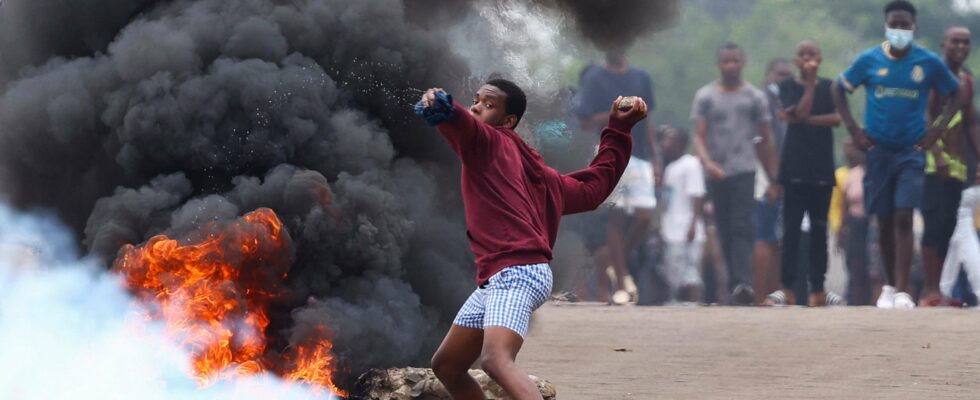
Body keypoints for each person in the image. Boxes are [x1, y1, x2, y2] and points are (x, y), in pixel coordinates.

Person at [418, 79, 647, 399]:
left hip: (516, 273)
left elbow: (464, 125)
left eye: (488, 104)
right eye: (475, 100)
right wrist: (619, 132)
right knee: (447, 365)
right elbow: (594, 187)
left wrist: (444, 107)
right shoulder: (538, 172)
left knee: (496, 360)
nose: (476, 107)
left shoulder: (487, 141)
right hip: (501, 277)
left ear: (508, 121)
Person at [831, 0, 963, 309]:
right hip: (877, 150)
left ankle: (904, 290)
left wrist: (939, 129)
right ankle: (889, 286)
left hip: (911, 150)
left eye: (905, 25)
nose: (899, 30)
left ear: (914, 27)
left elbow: (956, 92)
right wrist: (853, 129)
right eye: (895, 24)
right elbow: (838, 88)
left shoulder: (927, 62)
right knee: (885, 219)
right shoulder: (869, 60)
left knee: (905, 214)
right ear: (886, 25)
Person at [692, 42, 780, 305]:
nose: (731, 65)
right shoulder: (706, 96)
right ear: (719, 64)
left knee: (742, 225)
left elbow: (766, 139)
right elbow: (699, 135)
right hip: (717, 172)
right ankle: (733, 283)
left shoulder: (754, 97)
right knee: (724, 227)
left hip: (744, 169)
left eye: (735, 61)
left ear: (743, 63)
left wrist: (773, 178)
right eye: (726, 61)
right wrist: (707, 162)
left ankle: (744, 282)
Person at [576, 48, 658, 303]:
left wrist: (657, 157)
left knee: (645, 215)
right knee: (616, 216)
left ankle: (615, 261)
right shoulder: (594, 78)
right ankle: (622, 279)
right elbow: (585, 122)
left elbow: (649, 119)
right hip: (609, 149)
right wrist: (614, 114)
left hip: (640, 153)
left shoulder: (641, 77)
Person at [764, 41, 842, 306]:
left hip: (821, 169)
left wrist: (802, 119)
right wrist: (809, 85)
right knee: (791, 230)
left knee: (820, 231)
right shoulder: (787, 87)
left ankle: (818, 289)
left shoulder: (831, 86)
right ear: (796, 60)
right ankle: (787, 288)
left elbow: (836, 118)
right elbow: (800, 109)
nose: (808, 59)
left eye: (813, 54)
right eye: (803, 55)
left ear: (820, 58)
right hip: (794, 168)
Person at [919, 26, 980, 306]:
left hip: (957, 165)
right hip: (932, 163)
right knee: (932, 223)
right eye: (955, 40)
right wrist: (936, 153)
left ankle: (940, 292)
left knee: (948, 226)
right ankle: (929, 290)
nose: (960, 46)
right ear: (944, 42)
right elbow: (923, 114)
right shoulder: (931, 76)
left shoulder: (966, 81)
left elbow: (971, 123)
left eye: (965, 42)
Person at [753, 58, 793, 304]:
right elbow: (761, 145)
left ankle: (776, 294)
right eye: (780, 74)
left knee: (779, 239)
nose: (784, 79)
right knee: (765, 236)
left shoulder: (786, 104)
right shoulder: (762, 102)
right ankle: (760, 296)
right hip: (765, 179)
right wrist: (772, 179)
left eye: (788, 75)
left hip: (784, 179)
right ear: (768, 76)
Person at [660, 126, 706, 303]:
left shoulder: (691, 164)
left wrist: (694, 224)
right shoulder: (670, 167)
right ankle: (676, 303)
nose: (664, 145)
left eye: (669, 140)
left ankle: (693, 304)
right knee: (673, 271)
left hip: (687, 229)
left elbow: (696, 194)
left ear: (680, 143)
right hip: (672, 229)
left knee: (690, 271)